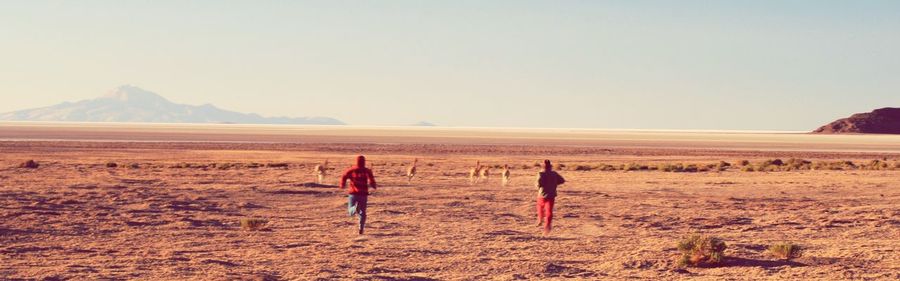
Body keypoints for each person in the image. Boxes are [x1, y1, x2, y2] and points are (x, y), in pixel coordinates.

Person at [340, 155, 377, 235]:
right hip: (363, 194)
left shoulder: (352, 170)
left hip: (353, 193)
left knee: (350, 211)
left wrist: (342, 184)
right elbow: (371, 180)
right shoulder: (367, 171)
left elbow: (344, 176)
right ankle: (361, 228)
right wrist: (373, 185)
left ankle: (354, 208)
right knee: (362, 212)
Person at [535, 159, 565, 234]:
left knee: (540, 207)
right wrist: (554, 184)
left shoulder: (541, 173)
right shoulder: (554, 174)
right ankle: (547, 227)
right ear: (550, 167)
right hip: (551, 195)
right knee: (549, 211)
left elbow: (538, 184)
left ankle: (540, 219)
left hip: (542, 195)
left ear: (543, 167)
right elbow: (562, 180)